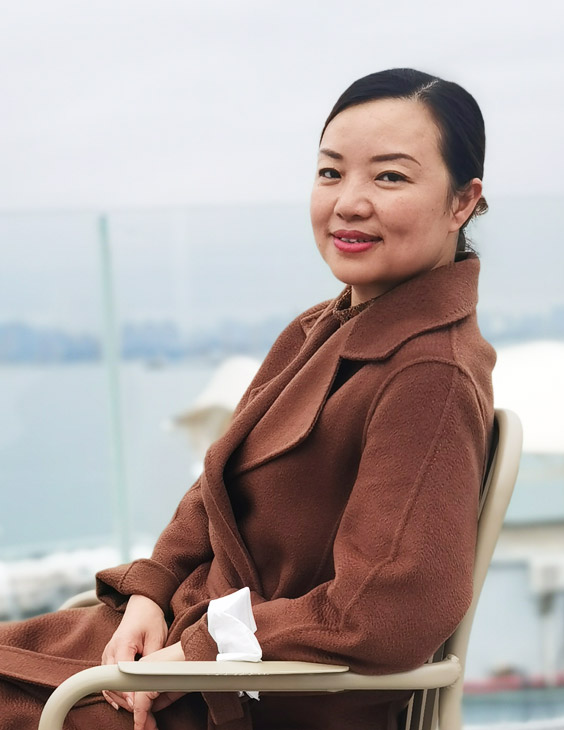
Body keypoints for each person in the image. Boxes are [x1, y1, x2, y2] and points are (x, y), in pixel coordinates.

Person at [0, 68, 495, 730]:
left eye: (389, 177)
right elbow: (215, 494)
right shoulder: (319, 329)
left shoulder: (431, 375)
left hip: (248, 693)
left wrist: (201, 651)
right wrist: (150, 590)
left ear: (462, 202)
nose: (349, 202)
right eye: (330, 173)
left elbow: (386, 607)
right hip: (176, 648)